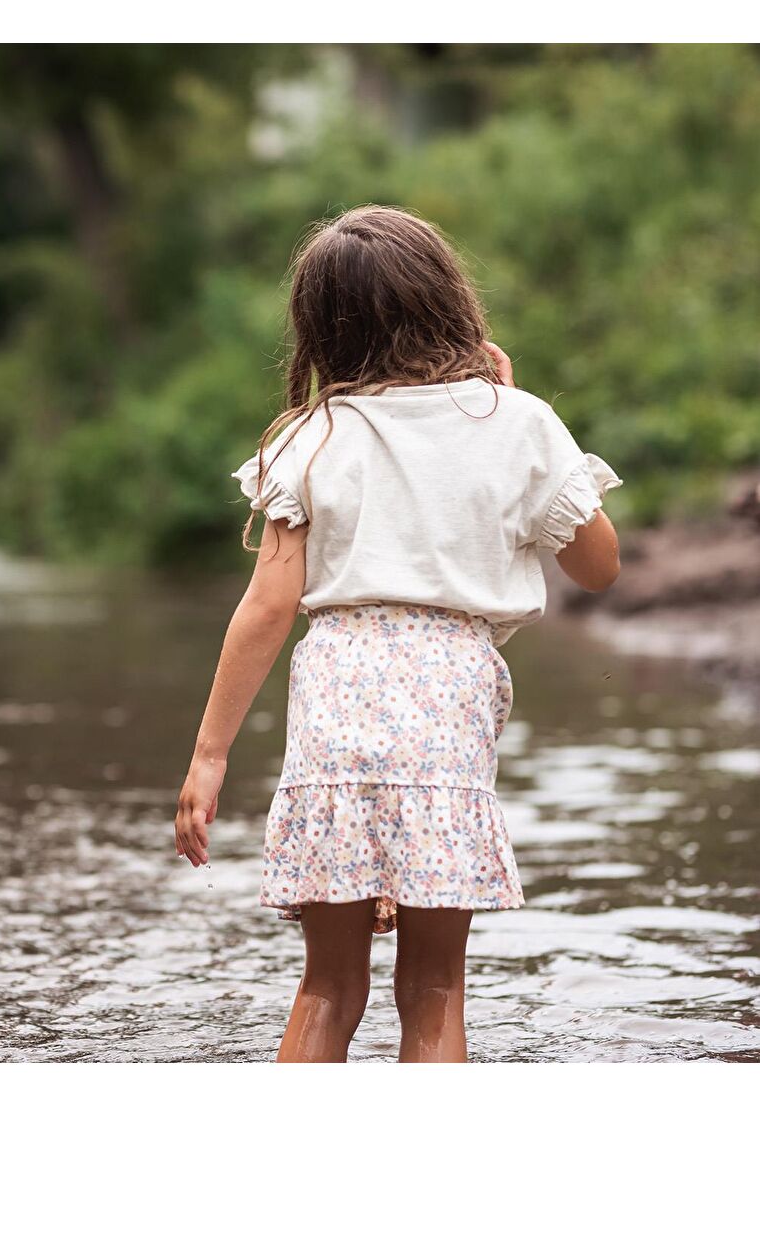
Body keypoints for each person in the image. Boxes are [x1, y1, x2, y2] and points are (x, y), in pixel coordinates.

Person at [173, 205, 622, 1063]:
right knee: (436, 991)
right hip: (447, 704)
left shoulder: (315, 434)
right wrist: (521, 413)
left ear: (323, 330)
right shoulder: (516, 422)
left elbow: (265, 609)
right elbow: (599, 568)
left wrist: (209, 755)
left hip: (337, 700)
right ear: (450, 301)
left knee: (328, 990)